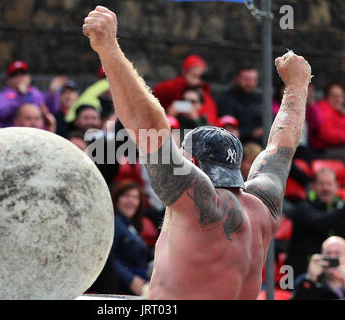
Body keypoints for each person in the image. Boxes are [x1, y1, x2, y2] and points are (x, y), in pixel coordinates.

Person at [83, 6, 312, 299]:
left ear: (192, 162)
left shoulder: (196, 199)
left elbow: (148, 125)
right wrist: (297, 85)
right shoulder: (263, 207)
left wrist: (109, 48)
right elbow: (281, 148)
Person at [285, 168, 345, 277]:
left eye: (329, 184)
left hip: (338, 273)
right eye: (321, 184)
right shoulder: (302, 208)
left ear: (336, 187)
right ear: (313, 187)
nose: (326, 188)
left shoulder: (339, 209)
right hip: (303, 273)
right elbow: (320, 222)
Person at [111, 181, 153, 296]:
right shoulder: (115, 222)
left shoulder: (131, 226)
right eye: (126, 196)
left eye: (135, 197)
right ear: (117, 199)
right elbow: (108, 259)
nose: (131, 201)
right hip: (124, 290)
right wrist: (130, 280)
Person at [152, 54, 218, 126]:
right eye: (183, 100)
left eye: (192, 101)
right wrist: (170, 117)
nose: (187, 104)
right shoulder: (174, 89)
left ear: (200, 103)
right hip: (174, 130)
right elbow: (155, 93)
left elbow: (210, 127)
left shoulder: (206, 96)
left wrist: (196, 119)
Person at [218, 65, 263, 144]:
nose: (250, 83)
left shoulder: (259, 100)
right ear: (237, 79)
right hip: (239, 144)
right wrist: (252, 131)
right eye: (246, 80)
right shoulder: (228, 100)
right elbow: (229, 129)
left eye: (253, 80)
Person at [309, 83, 345, 162]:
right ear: (326, 97)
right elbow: (327, 134)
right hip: (323, 151)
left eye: (341, 96)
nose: (338, 99)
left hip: (337, 149)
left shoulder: (339, 112)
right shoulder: (322, 108)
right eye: (334, 96)